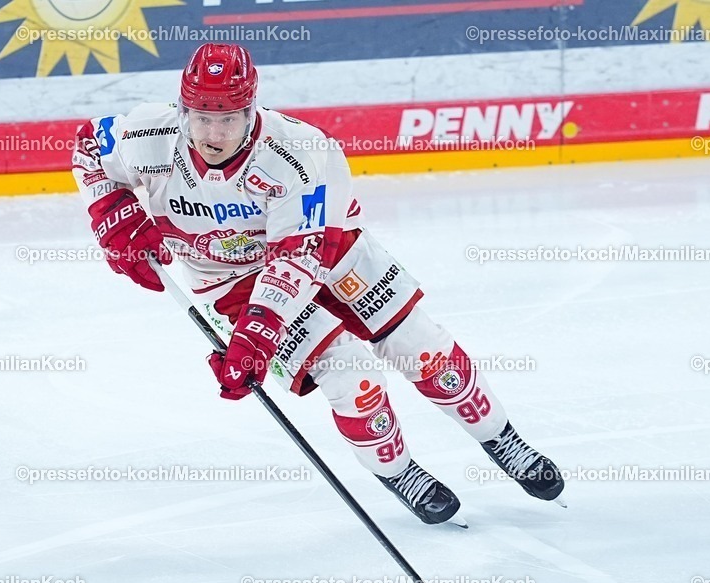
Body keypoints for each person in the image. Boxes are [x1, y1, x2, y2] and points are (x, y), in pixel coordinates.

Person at [71, 43, 564, 525]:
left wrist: (257, 334)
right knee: (351, 375)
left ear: (252, 109)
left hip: (328, 249)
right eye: (202, 117)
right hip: (228, 278)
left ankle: (501, 438)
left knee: (420, 347)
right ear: (183, 110)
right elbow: (89, 145)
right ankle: (399, 471)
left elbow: (297, 258)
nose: (213, 134)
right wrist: (110, 211)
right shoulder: (148, 134)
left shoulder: (298, 152)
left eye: (229, 119)